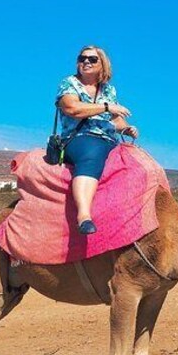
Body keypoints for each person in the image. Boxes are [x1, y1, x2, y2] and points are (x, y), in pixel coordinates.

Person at [56, 45, 138, 235]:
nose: (86, 61)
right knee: (91, 154)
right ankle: (84, 215)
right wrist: (108, 107)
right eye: (82, 58)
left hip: (108, 139)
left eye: (92, 59)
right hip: (79, 138)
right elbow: (72, 108)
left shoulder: (108, 90)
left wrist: (126, 128)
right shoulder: (69, 84)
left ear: (102, 64)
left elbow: (115, 119)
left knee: (136, 160)